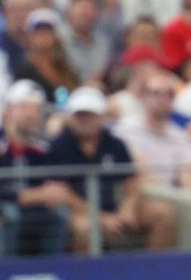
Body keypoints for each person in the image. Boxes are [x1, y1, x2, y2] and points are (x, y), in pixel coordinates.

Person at [46, 86, 177, 252]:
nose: (84, 120)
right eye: (80, 115)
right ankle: (87, 276)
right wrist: (101, 217)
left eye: (90, 115)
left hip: (114, 207)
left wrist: (127, 209)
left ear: (101, 117)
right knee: (84, 228)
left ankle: (155, 272)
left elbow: (132, 180)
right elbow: (62, 193)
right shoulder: (58, 146)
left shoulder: (115, 144)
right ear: (70, 117)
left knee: (162, 214)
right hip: (78, 212)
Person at [0, 79, 72, 255]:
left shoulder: (45, 147)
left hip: (35, 208)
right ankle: (0, 270)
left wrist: (45, 195)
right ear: (9, 111)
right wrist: (29, 195)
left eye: (36, 109)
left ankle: (52, 269)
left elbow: (55, 189)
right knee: (9, 214)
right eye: (24, 108)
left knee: (60, 214)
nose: (30, 115)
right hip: (0, 207)